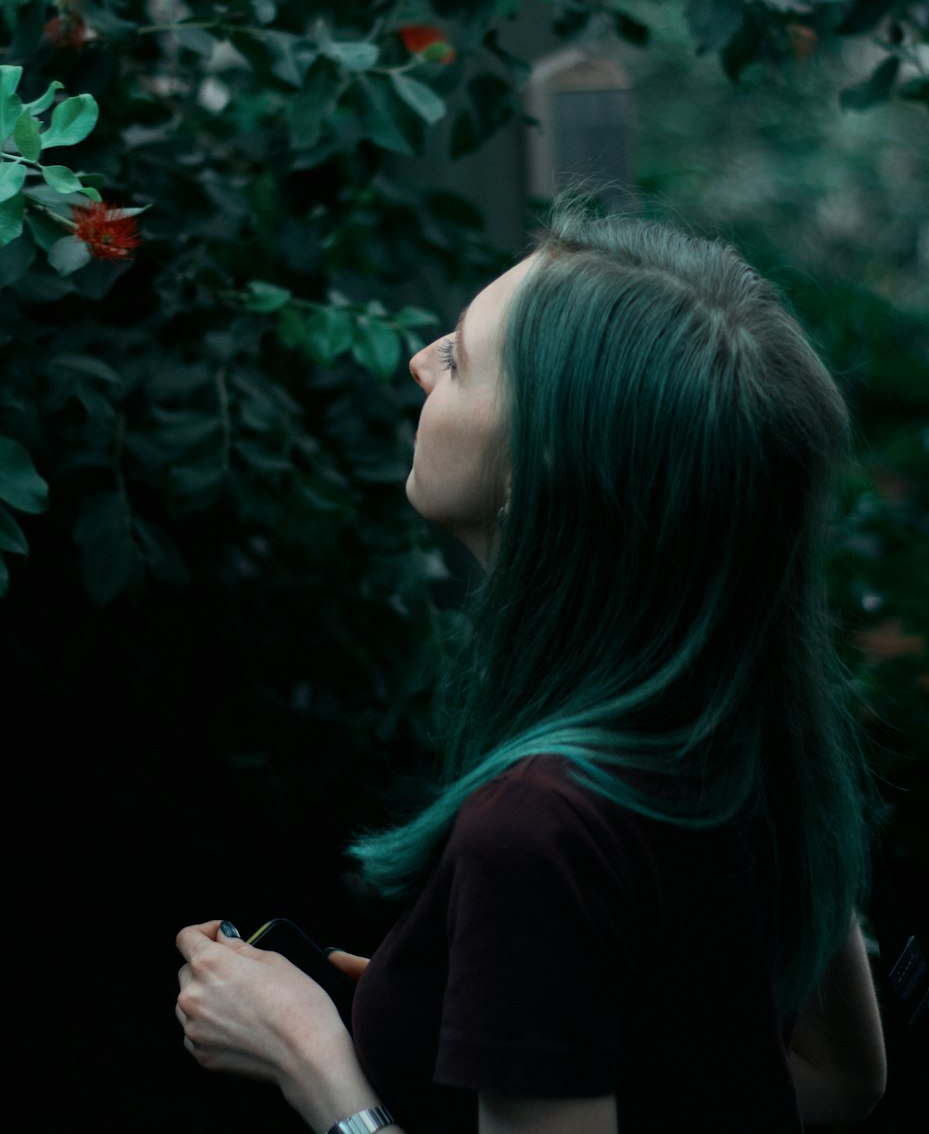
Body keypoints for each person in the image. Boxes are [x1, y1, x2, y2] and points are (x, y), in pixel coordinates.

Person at [176, 200, 887, 1133]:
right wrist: (452, 1005)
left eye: (461, 359)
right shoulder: (737, 735)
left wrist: (310, 1058)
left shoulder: (541, 831)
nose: (420, 362)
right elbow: (834, 1084)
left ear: (537, 468)